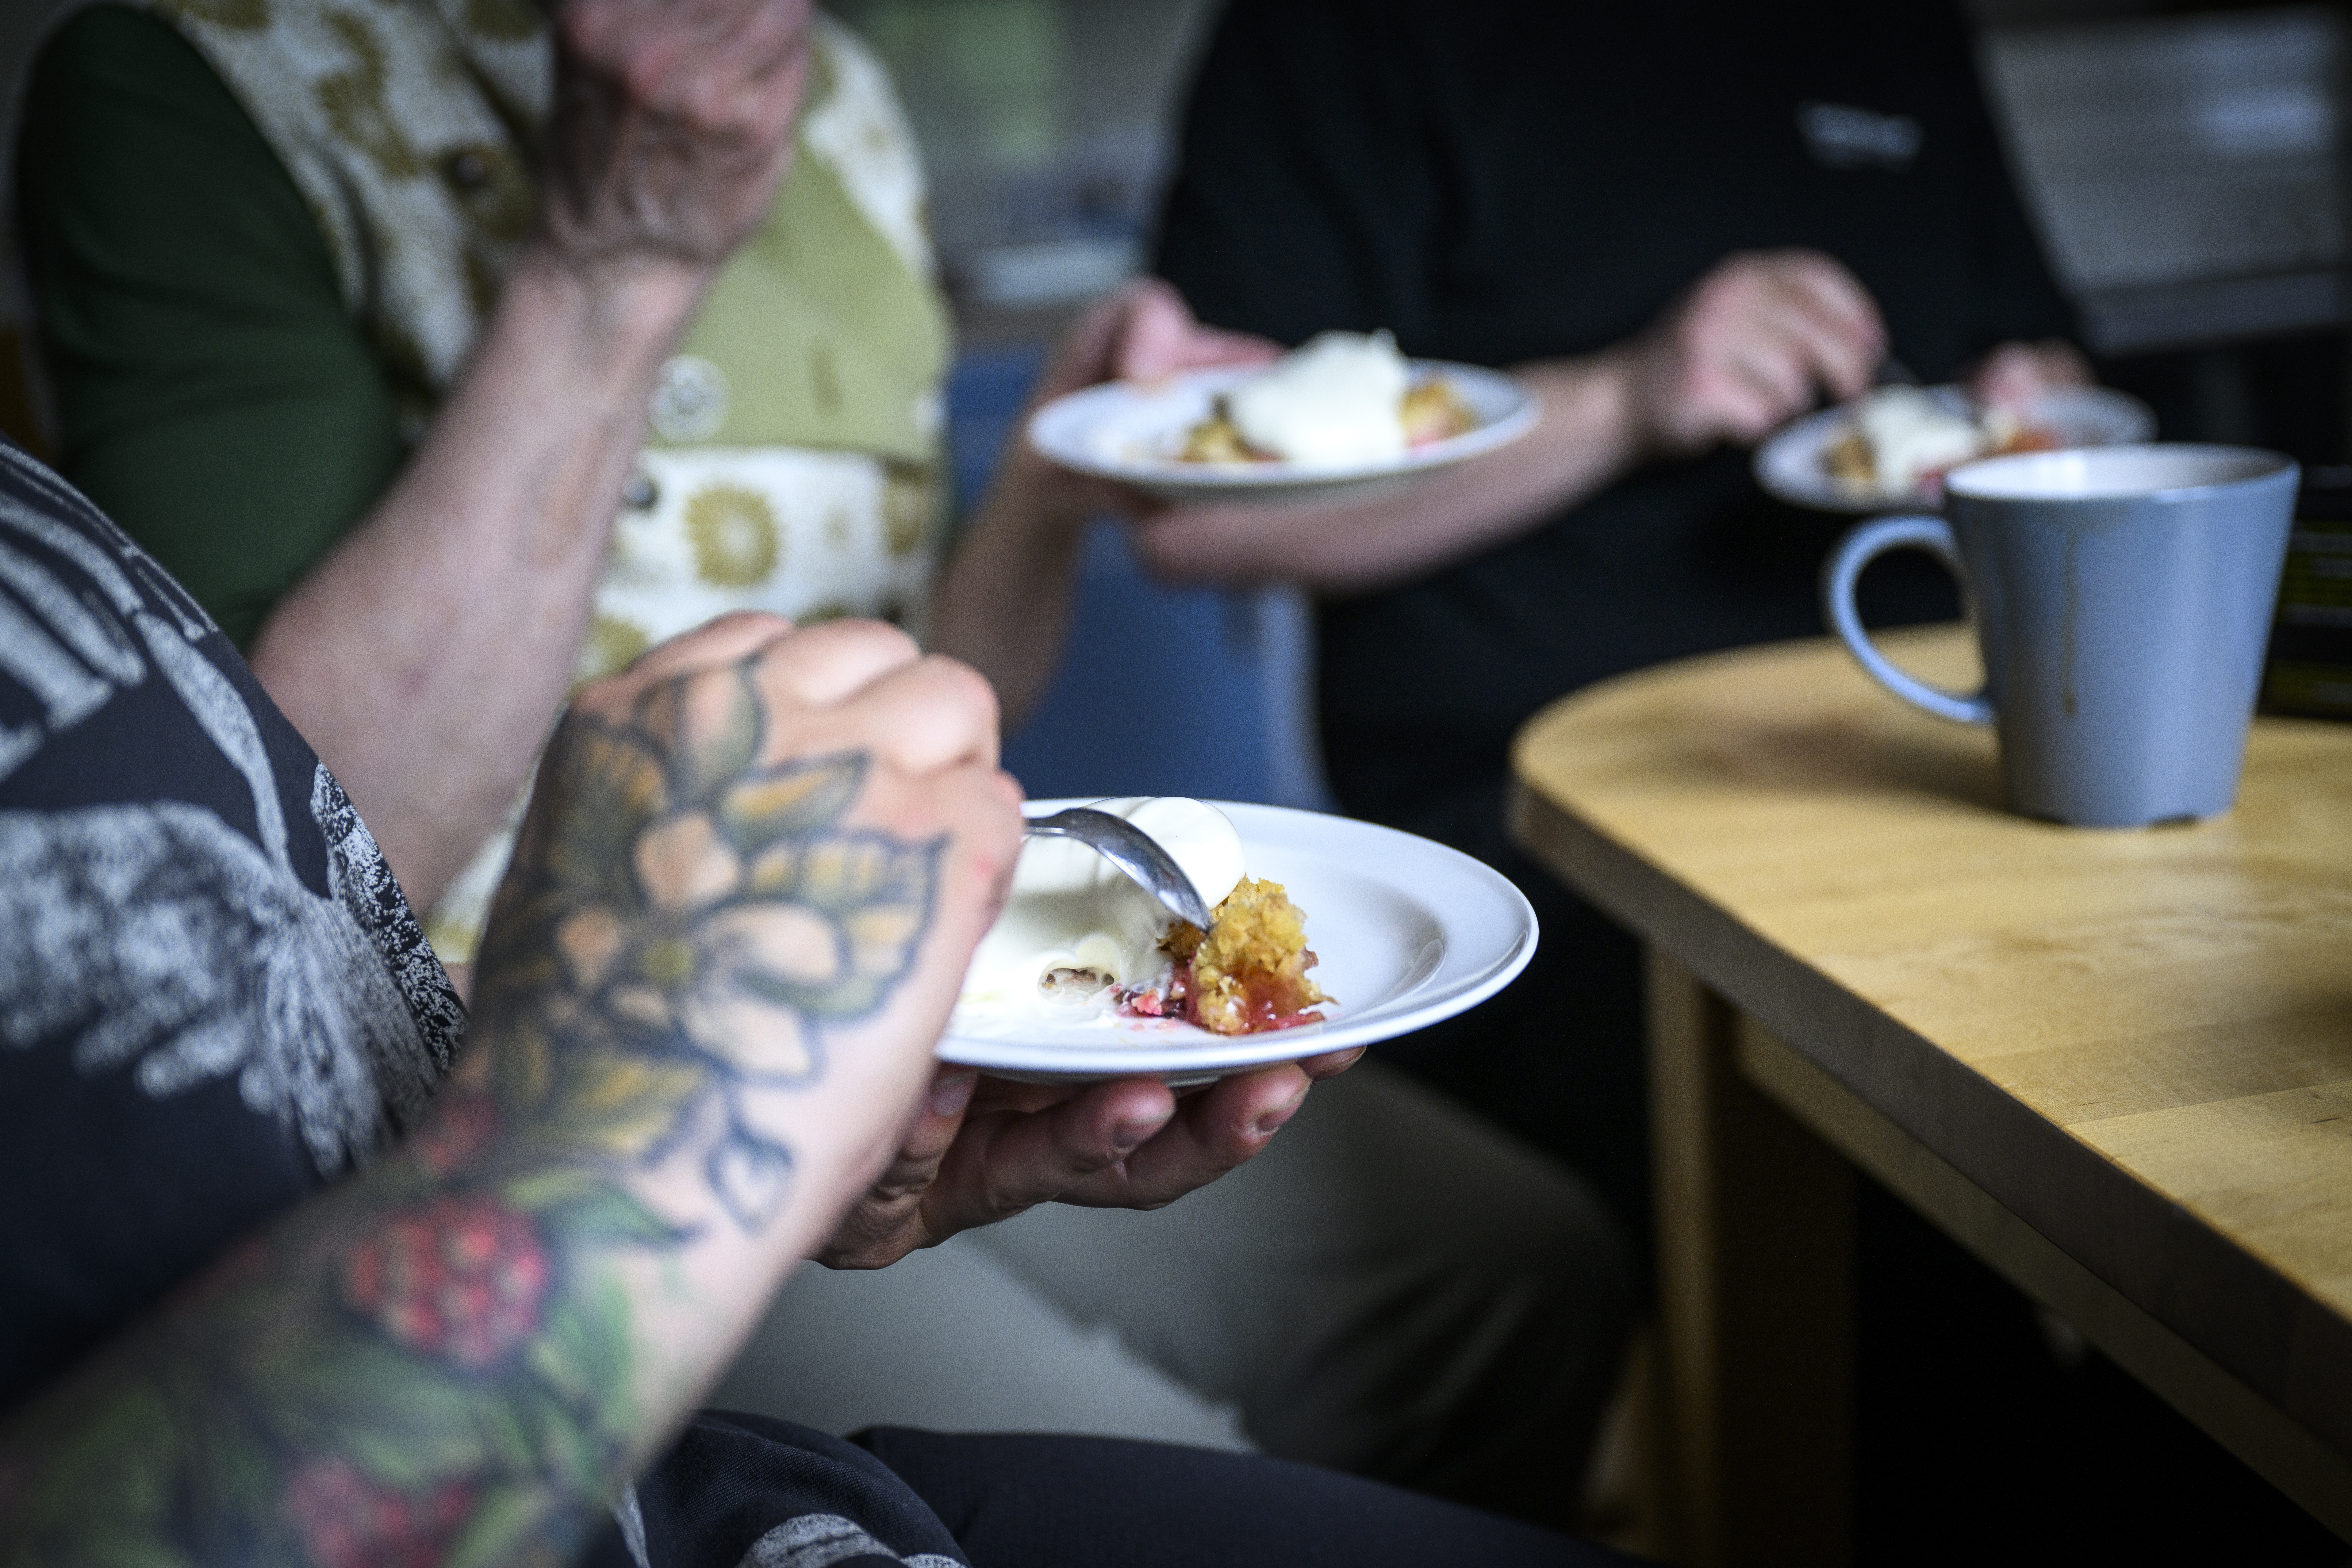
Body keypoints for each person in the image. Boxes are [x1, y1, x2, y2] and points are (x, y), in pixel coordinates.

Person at [12, 0, 1632, 1520]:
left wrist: (1051, 482)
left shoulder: (837, 98)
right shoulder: (201, 80)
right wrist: (612, 260)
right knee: (1164, 1470)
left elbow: (940, 687)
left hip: (911, 981)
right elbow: (285, 879)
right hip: (493, 1075)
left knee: (1533, 1271)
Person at [0, 438, 1641, 1566]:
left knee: (1534, 1273)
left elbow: (254, 1018)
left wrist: (746, 1128)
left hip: (668, 1475)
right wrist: (643, 1118)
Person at [1145, 0, 2090, 1234]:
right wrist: (1626, 397)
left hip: (1934, 769)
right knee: (1870, 1193)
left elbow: (2043, 357)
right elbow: (1194, 517)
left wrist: (2027, 409)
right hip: (1545, 843)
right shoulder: (1342, 35)